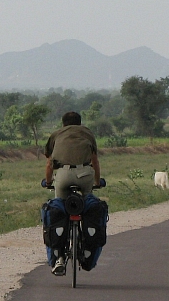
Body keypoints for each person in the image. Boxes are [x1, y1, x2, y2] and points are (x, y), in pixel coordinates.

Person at [43, 111, 101, 276]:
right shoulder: (87, 133)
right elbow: (95, 161)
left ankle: (60, 257)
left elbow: (49, 163)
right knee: (88, 204)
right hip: (85, 174)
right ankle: (85, 244)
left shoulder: (56, 135)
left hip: (63, 174)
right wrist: (97, 181)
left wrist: (48, 182)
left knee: (59, 209)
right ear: (80, 123)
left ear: (63, 124)